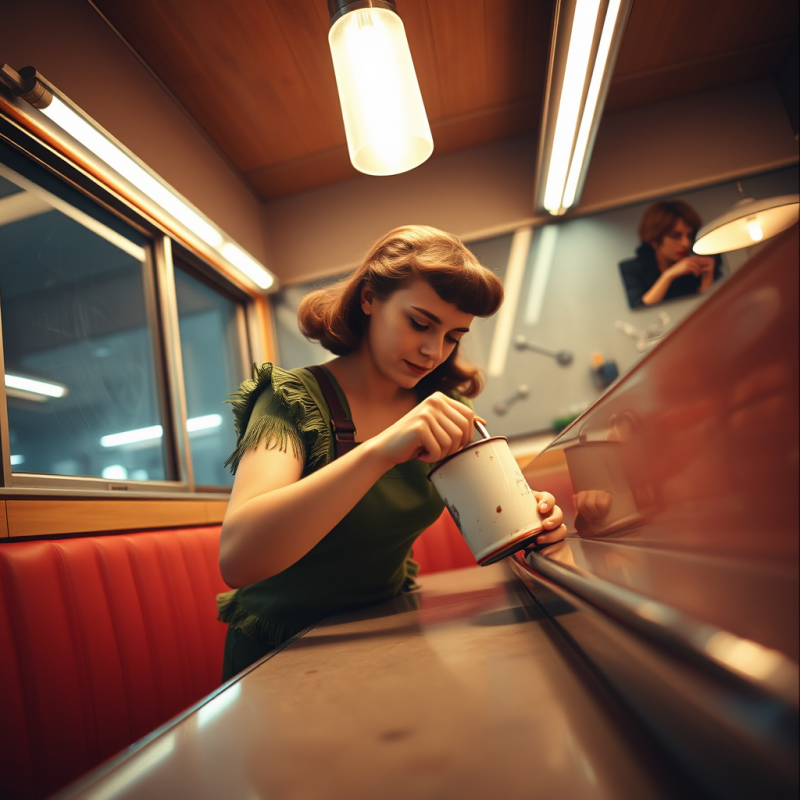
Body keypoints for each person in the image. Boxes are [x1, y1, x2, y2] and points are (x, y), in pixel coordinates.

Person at [217, 224, 567, 680]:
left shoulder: (445, 409)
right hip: (282, 653)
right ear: (369, 299)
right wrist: (381, 450)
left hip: (392, 631)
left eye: (453, 337)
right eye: (420, 323)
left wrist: (539, 526)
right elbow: (239, 558)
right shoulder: (292, 398)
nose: (432, 350)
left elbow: (503, 527)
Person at [619, 199, 722, 308]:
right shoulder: (632, 269)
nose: (685, 243)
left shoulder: (697, 266)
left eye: (689, 236)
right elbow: (638, 310)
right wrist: (668, 276)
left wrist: (707, 277)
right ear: (655, 240)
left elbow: (708, 310)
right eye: (675, 236)